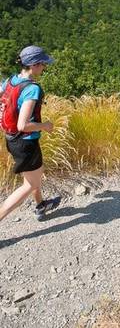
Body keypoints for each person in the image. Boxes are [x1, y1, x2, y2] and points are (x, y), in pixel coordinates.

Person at [0, 45, 61, 222]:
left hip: (12, 139)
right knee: (30, 184)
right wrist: (45, 125)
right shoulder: (32, 88)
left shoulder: (11, 80)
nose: (44, 67)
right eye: (43, 64)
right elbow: (23, 125)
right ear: (34, 65)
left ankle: (41, 205)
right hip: (25, 142)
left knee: (36, 173)